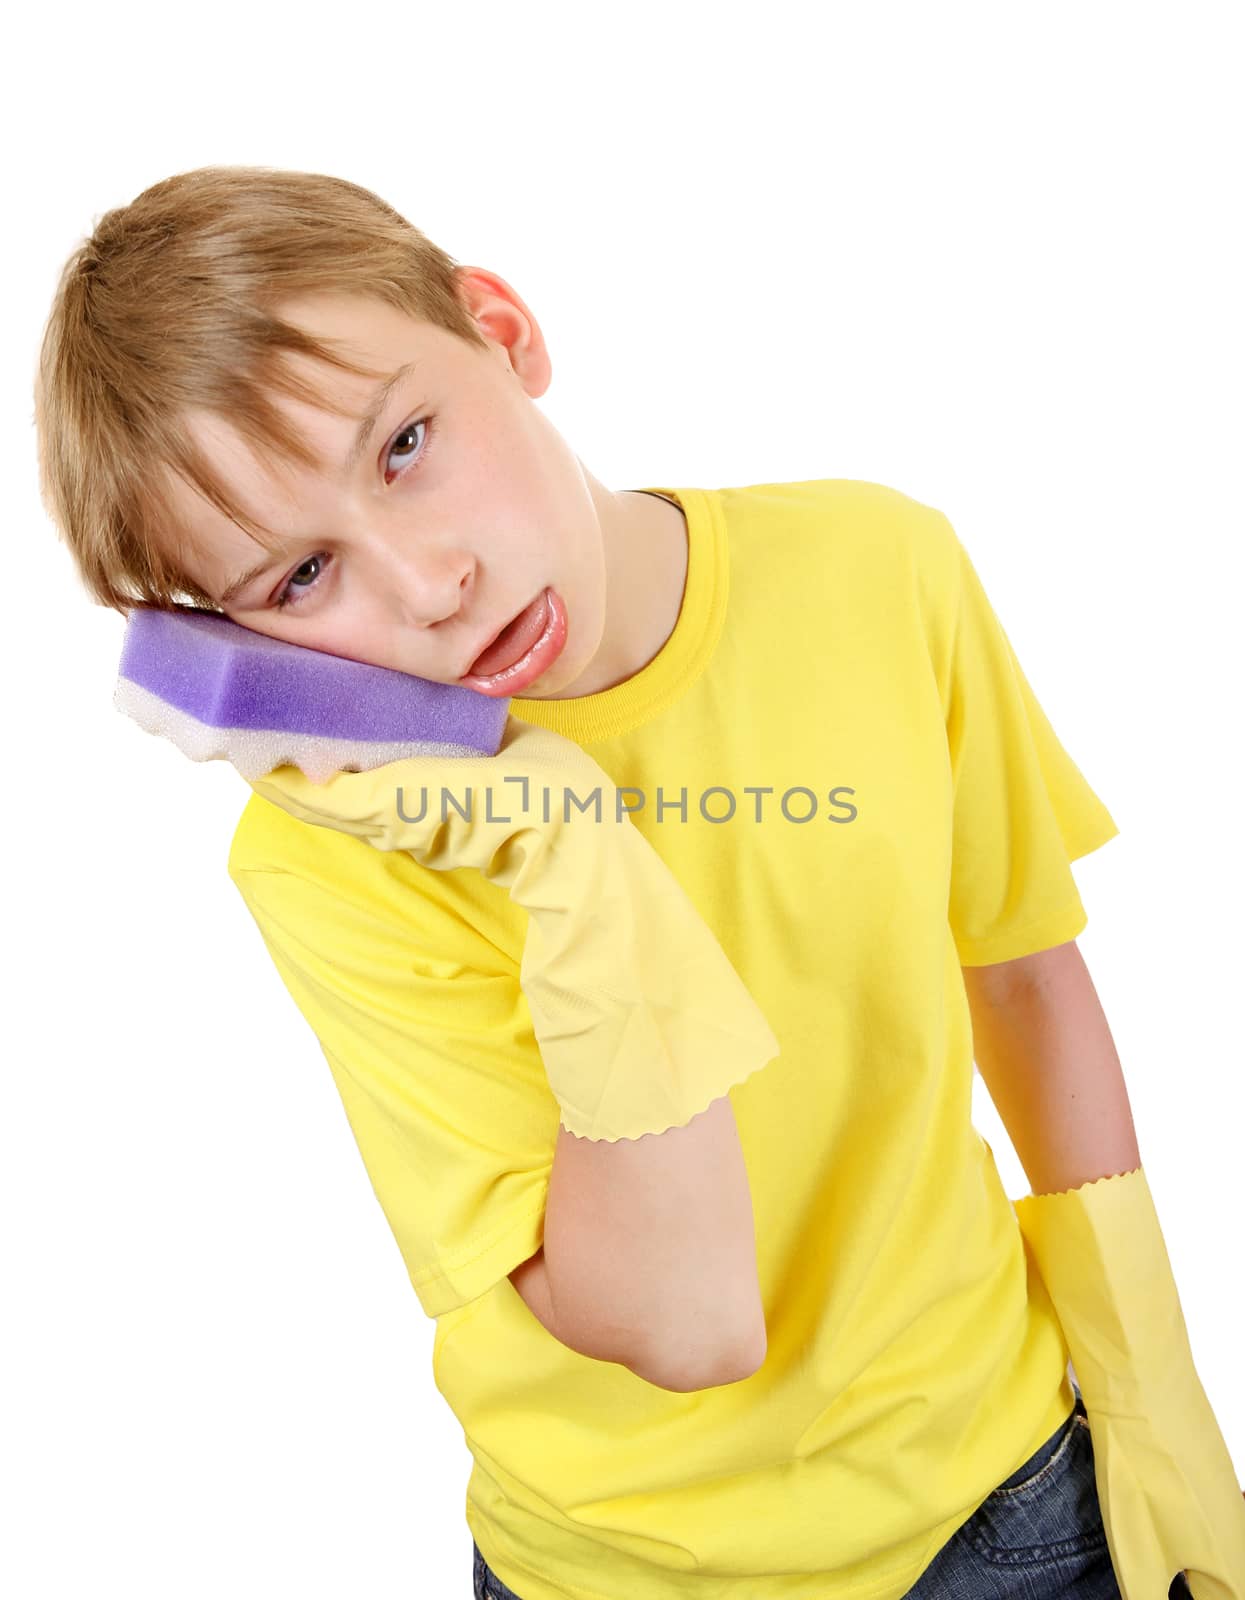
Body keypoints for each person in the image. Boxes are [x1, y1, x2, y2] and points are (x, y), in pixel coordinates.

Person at [34, 166, 1220, 1600]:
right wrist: (570, 860)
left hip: (1007, 1493)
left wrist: (1152, 1386)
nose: (425, 585)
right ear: (227, 644)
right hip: (617, 1569)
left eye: (405, 443)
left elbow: (1019, 971)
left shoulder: (874, 565)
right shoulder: (330, 856)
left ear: (502, 330)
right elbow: (687, 1323)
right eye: (297, 581)